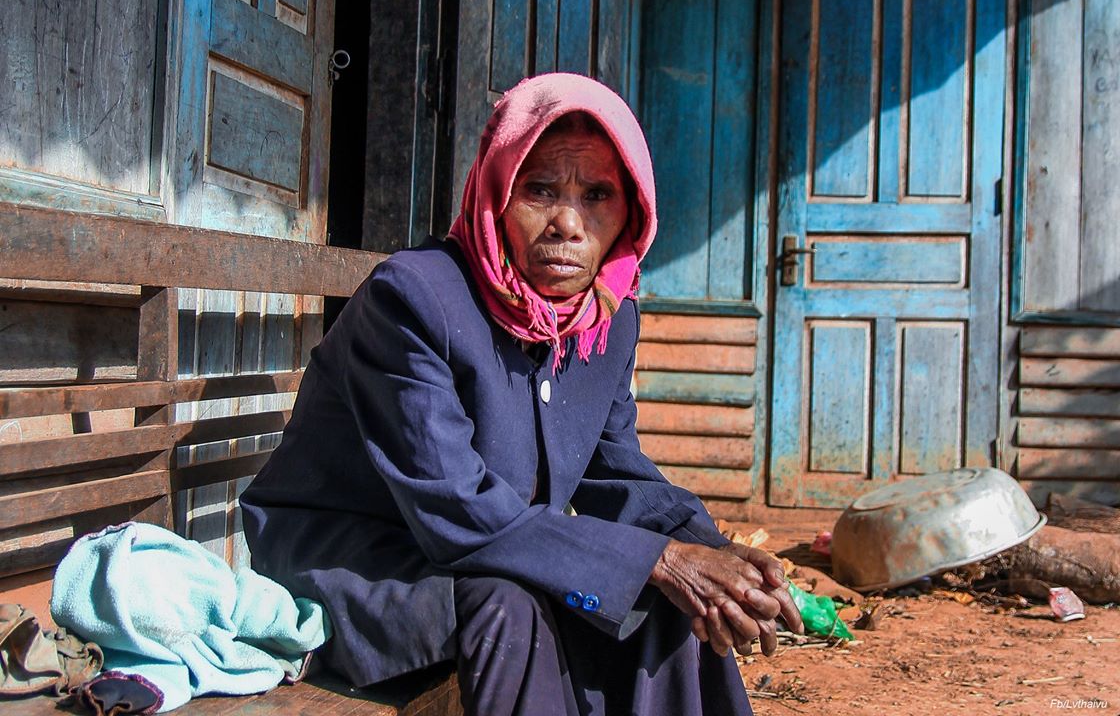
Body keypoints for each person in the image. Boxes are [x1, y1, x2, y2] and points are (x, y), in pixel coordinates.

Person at [240, 72, 802, 716]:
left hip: (480, 551)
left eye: (597, 195)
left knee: (672, 594)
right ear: (496, 193)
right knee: (516, 603)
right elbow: (457, 512)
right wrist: (662, 560)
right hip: (351, 563)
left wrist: (707, 551)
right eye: (539, 190)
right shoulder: (412, 300)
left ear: (632, 213)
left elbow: (611, 470)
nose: (568, 222)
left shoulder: (605, 319)